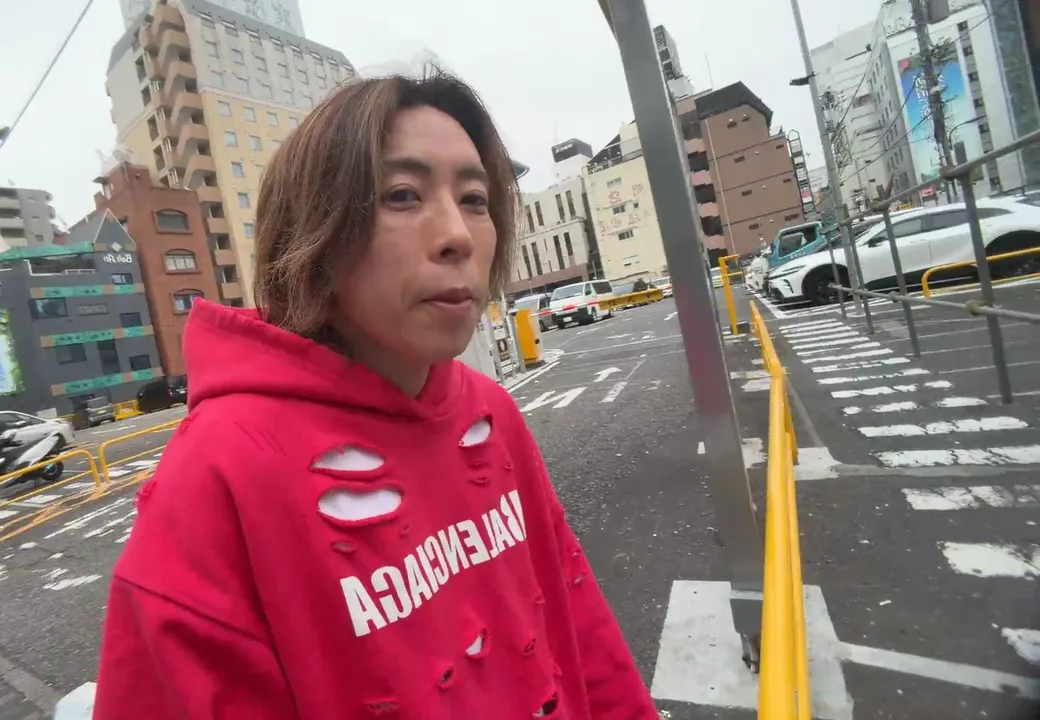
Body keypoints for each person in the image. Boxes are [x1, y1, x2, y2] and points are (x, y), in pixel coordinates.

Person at [93, 70, 657, 720]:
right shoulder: (216, 477)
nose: (458, 234)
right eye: (402, 195)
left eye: (475, 199)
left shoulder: (489, 411)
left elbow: (577, 626)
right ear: (313, 231)